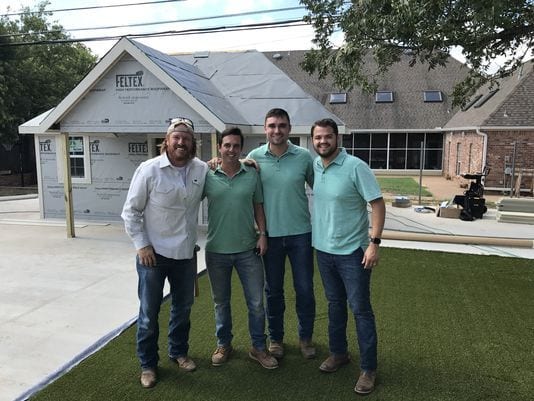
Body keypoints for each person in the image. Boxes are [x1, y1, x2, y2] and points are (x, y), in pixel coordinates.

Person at [121, 117, 208, 389]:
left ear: (193, 143)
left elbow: (223, 171)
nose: (181, 141)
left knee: (182, 309)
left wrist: (243, 163)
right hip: (153, 257)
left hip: (185, 254)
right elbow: (130, 211)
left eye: (186, 137)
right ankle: (148, 365)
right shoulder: (149, 170)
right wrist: (142, 245)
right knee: (148, 314)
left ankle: (178, 352)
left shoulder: (202, 169)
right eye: (176, 137)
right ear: (167, 141)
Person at [310, 118, 386, 395]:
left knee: (361, 310)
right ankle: (338, 353)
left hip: (353, 253)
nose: (322, 142)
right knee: (334, 305)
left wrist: (374, 243)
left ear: (337, 139)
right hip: (324, 250)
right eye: (318, 138)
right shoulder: (316, 166)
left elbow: (377, 204)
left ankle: (368, 368)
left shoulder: (356, 167)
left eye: (327, 137)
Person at [203, 127, 278, 370]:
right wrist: (207, 164)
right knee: (221, 303)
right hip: (216, 251)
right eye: (227, 145)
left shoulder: (251, 173)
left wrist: (263, 234)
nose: (231, 150)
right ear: (219, 148)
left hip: (248, 250)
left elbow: (258, 206)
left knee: (256, 303)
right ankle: (224, 344)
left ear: (241, 148)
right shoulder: (207, 174)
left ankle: (258, 347)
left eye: (236, 146)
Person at [247, 108, 316, 359]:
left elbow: (323, 186)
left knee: (305, 289)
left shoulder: (304, 157)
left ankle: (305, 338)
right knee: (273, 290)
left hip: (301, 235)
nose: (277, 130)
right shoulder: (254, 158)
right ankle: (276, 339)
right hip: (270, 237)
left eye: (282, 126)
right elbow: (237, 175)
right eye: (272, 125)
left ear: (289, 128)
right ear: (265, 128)